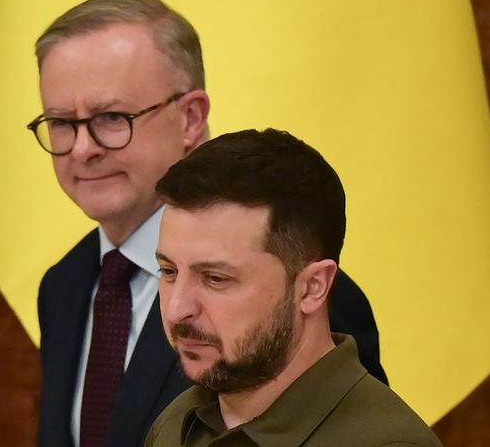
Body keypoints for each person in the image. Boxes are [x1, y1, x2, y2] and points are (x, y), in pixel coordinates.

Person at [28, 0, 386, 447]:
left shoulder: (297, 293)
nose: (83, 148)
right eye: (62, 122)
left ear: (192, 118)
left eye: (111, 117)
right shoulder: (64, 284)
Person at [147, 128, 442, 447]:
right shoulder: (178, 424)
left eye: (216, 279)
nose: (178, 308)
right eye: (169, 270)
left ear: (313, 287)